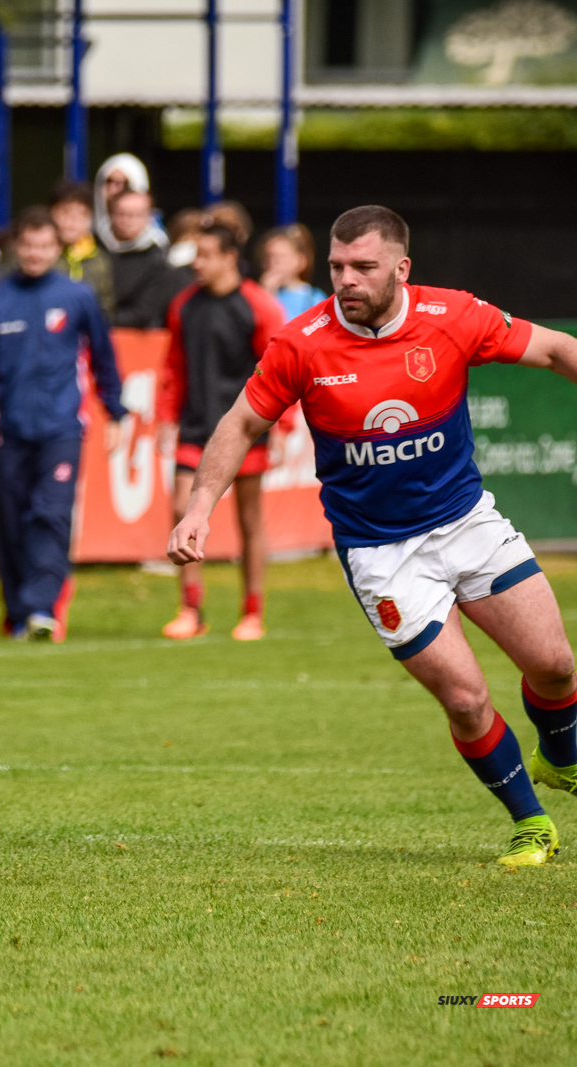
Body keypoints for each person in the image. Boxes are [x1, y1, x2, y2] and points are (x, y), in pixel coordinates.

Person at [170, 205, 577, 868]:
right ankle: (532, 821)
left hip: (466, 521)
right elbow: (241, 423)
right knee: (467, 699)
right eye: (336, 267)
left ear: (400, 267)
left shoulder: (453, 317)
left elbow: (558, 349)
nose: (346, 280)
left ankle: (562, 756)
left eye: (362, 267)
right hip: (382, 554)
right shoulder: (302, 342)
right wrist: (197, 509)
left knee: (556, 663)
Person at [0, 208, 127, 641]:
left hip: (62, 429)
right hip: (9, 430)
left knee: (50, 513)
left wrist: (116, 409)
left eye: (44, 245)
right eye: (28, 245)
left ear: (56, 248)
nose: (35, 253)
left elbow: (103, 356)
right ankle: (16, 613)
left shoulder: (78, 297)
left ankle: (43, 608)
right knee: (11, 522)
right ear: (16, 248)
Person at [157, 223, 284, 642]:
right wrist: (165, 418)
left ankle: (252, 612)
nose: (197, 263)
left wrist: (280, 426)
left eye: (206, 254)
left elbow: (279, 370)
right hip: (195, 429)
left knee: (250, 521)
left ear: (230, 257)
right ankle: (191, 607)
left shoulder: (257, 305)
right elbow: (173, 367)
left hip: (248, 429)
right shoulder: (182, 306)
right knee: (182, 507)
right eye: (196, 254)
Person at [104, 189, 184, 328]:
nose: (127, 220)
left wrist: (99, 320)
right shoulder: (95, 248)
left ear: (148, 217)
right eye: (121, 214)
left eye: (136, 215)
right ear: (110, 214)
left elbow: (143, 313)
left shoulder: (157, 259)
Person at [49, 181, 115, 321]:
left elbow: (106, 307)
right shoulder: (39, 255)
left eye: (81, 214)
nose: (72, 221)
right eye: (65, 212)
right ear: (50, 213)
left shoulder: (99, 260)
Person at [93, 152, 166, 253]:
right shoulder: (90, 240)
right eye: (108, 181)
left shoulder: (157, 246)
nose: (113, 189)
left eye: (123, 183)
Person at [259, 223, 328, 320]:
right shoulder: (259, 295)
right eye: (267, 258)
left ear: (301, 261)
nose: (272, 264)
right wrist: (265, 295)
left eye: (279, 258)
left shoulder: (313, 298)